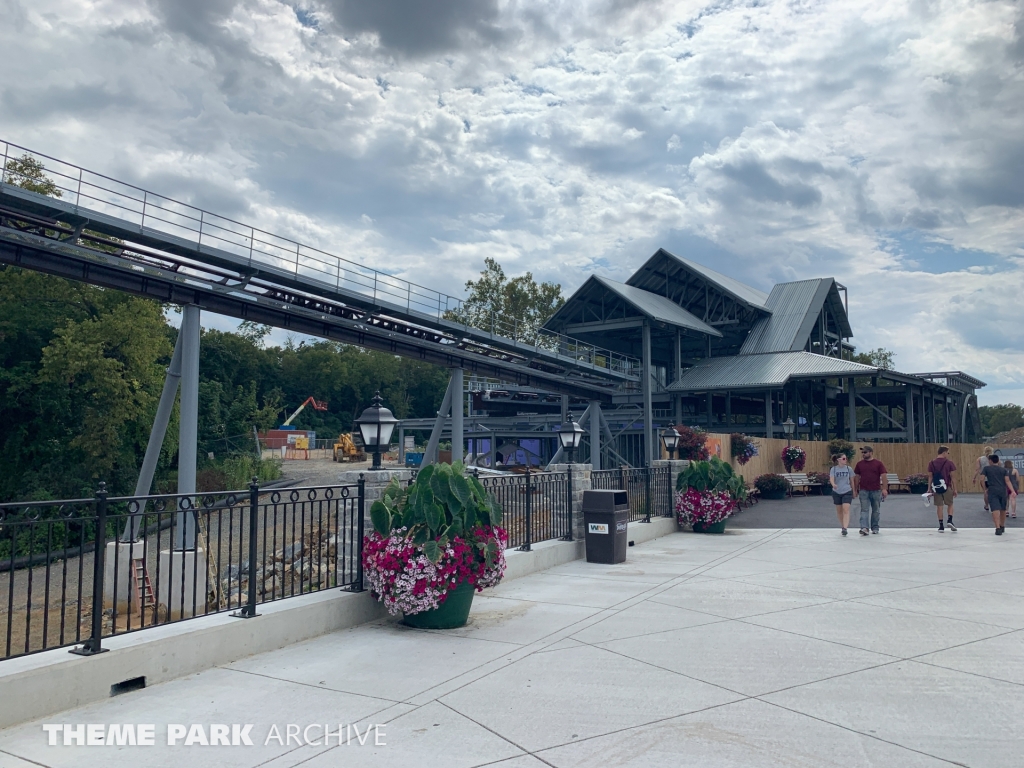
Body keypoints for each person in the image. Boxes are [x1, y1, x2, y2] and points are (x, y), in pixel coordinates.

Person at [853, 445, 888, 536]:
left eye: (865, 452)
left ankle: (875, 527)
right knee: (864, 509)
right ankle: (864, 528)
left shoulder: (878, 463)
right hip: (863, 490)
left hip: (876, 490)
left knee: (876, 510)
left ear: (870, 453)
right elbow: (857, 477)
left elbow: (883, 476)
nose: (863, 454)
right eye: (862, 453)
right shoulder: (859, 464)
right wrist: (855, 489)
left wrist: (884, 488)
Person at [981, 455, 1016, 535]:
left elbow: (982, 479)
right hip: (1003, 491)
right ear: (998, 461)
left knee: (995, 509)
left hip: (992, 490)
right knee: (1003, 509)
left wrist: (985, 489)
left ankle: (997, 528)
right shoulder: (1003, 470)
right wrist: (1012, 491)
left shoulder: (987, 469)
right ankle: (1002, 525)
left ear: (990, 461)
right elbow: (1007, 481)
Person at [927, 446, 957, 532]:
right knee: (950, 504)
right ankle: (950, 520)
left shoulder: (931, 463)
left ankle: (941, 525)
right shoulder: (949, 463)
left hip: (936, 487)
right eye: (948, 452)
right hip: (947, 486)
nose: (948, 454)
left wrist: (929, 488)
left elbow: (930, 476)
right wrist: (955, 489)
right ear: (944, 453)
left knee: (939, 506)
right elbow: (953, 476)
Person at [829, 453, 853, 536]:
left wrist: (854, 490)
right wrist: (833, 485)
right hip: (837, 491)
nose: (845, 460)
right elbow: (831, 479)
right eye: (843, 459)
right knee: (839, 511)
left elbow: (852, 480)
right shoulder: (834, 469)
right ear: (838, 460)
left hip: (847, 490)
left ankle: (845, 528)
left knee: (846, 509)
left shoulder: (848, 469)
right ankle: (842, 526)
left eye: (846, 458)